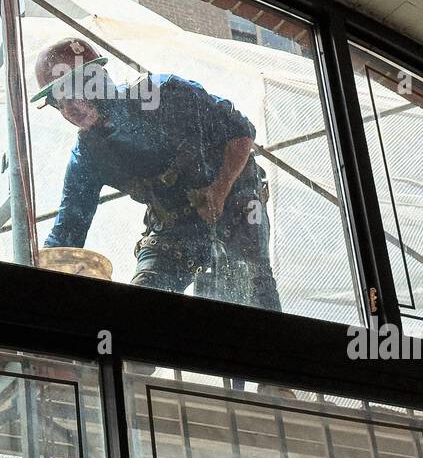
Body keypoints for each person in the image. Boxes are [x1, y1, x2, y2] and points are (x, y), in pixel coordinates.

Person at [33, 37, 281, 312]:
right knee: (142, 306)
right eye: (59, 103)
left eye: (72, 93)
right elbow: (68, 229)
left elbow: (240, 132)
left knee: (248, 293)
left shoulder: (164, 93)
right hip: (173, 227)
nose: (69, 109)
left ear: (97, 79)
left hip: (236, 206)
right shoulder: (88, 155)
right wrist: (34, 274)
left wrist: (220, 188)